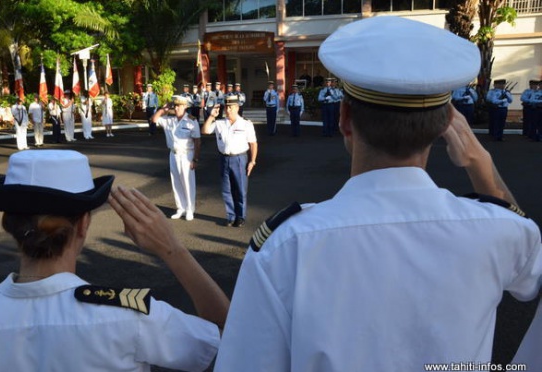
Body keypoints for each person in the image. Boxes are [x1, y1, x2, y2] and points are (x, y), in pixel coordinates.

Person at [214, 16, 542, 371]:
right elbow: (532, 279)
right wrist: (481, 162)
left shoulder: (285, 246)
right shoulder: (497, 230)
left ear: (344, 118)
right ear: (448, 123)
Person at [0, 149, 229, 371]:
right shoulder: (131, 318)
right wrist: (173, 250)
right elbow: (229, 336)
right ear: (83, 225)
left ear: (10, 225)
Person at [201, 96, 258, 227]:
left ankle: (240, 216)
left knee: (240, 189)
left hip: (239, 158)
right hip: (224, 158)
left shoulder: (246, 124)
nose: (228, 110)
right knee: (226, 190)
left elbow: (253, 144)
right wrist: (211, 116)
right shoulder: (220, 123)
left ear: (237, 108)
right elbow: (205, 131)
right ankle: (231, 216)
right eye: (226, 107)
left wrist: (252, 161)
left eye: (231, 107)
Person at [152, 96, 201, 221]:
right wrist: (164, 109)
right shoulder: (169, 120)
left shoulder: (191, 121)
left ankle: (190, 209)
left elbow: (197, 141)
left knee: (188, 182)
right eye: (176, 106)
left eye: (180, 106)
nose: (177, 108)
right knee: (176, 183)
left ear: (185, 107)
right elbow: (154, 119)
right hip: (173, 154)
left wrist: (195, 159)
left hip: (187, 154)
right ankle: (180, 208)